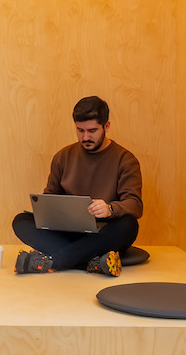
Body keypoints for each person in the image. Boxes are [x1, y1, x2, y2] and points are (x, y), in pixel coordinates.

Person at [12, 95, 142, 276]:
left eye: (92, 131)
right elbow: (50, 198)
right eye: (80, 130)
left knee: (129, 225)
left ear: (106, 126)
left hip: (102, 234)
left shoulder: (125, 160)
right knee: (21, 221)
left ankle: (53, 261)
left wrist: (110, 209)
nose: (85, 137)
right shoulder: (63, 156)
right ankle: (92, 262)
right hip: (68, 231)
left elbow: (135, 205)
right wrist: (48, 210)